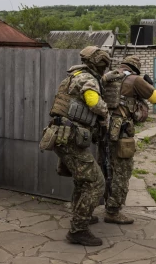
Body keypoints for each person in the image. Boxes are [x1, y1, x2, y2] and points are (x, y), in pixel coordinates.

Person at [40, 46, 120, 246]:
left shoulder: (78, 75)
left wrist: (106, 79)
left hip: (64, 135)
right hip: (69, 137)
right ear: (97, 63)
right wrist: (106, 112)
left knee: (82, 180)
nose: (103, 67)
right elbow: (93, 102)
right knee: (96, 182)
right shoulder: (87, 79)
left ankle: (81, 214)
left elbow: (88, 87)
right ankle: (78, 230)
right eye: (103, 65)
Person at [100, 55, 156, 224]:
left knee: (104, 168)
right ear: (136, 68)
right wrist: (148, 84)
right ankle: (113, 212)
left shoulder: (108, 76)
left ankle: (92, 207)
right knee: (122, 171)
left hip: (103, 128)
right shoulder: (135, 80)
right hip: (121, 132)